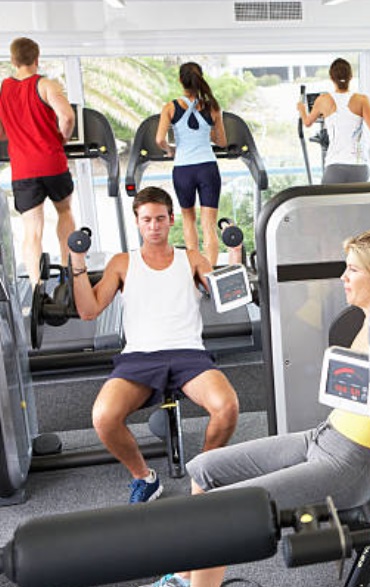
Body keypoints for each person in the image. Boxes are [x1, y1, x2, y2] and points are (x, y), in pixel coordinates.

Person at [141, 229, 370, 587]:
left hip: (348, 461)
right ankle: (183, 578)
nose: (343, 278)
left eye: (352, 270)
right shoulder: (369, 316)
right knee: (203, 470)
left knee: (220, 513)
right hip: (322, 436)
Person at [70, 186, 240, 503]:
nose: (154, 226)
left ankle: (203, 476)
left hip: (189, 354)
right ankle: (144, 478)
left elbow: (226, 297)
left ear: (171, 219)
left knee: (227, 407)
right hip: (138, 357)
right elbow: (89, 310)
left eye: (160, 218)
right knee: (103, 417)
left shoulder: (191, 258)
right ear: (137, 222)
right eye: (146, 219)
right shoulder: (122, 263)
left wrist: (235, 254)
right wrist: (77, 262)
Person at [0, 37, 76, 287]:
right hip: (52, 162)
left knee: (31, 229)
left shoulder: (4, 90)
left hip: (23, 169)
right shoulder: (45, 84)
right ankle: (68, 272)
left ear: (13, 60)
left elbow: (1, 132)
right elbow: (66, 117)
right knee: (64, 211)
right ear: (37, 58)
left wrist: (16, 132)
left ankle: (35, 286)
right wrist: (61, 138)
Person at [156, 62, 227, 267]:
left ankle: (195, 269)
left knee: (188, 220)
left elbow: (159, 139)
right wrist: (207, 132)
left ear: (180, 80)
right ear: (201, 78)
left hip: (183, 169)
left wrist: (171, 150)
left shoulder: (170, 107)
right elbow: (221, 141)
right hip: (207, 168)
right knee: (209, 225)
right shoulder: (212, 107)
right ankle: (210, 271)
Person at [296, 58, 370, 184]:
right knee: (357, 204)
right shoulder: (362, 100)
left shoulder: (323, 99)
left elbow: (307, 122)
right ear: (351, 76)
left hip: (335, 166)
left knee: (328, 203)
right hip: (359, 167)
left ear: (331, 78)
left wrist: (301, 108)